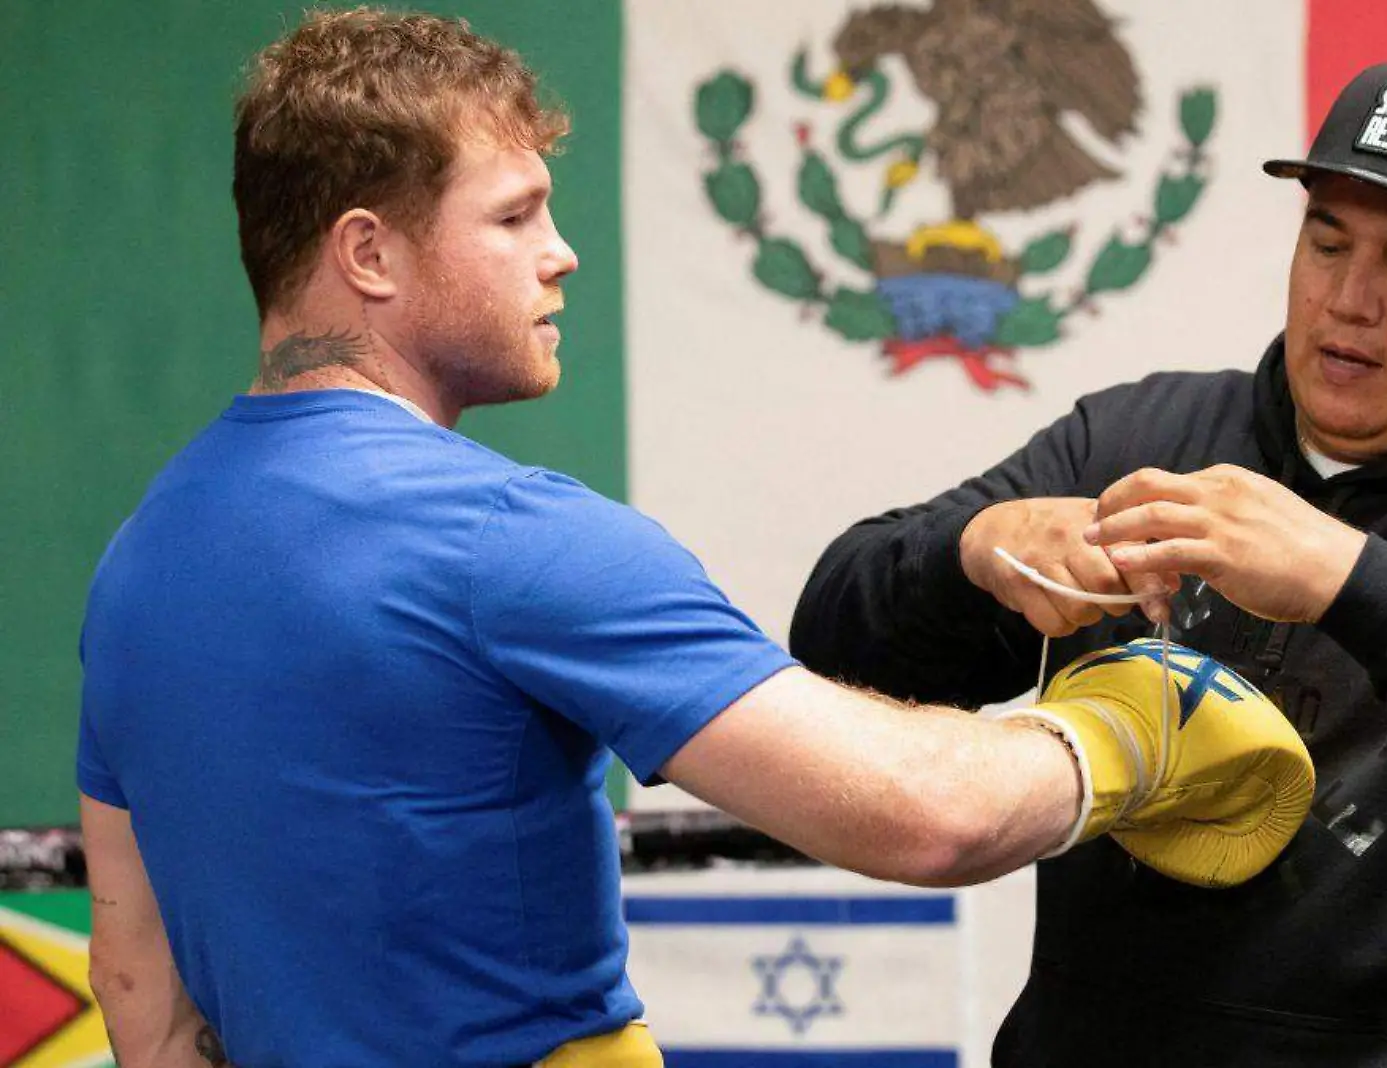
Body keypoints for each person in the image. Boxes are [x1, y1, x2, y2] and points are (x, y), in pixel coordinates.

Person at [73, 10, 1313, 1068]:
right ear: (369, 253)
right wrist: (1132, 731)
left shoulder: (142, 557)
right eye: (513, 218)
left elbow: (144, 1003)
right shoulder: (509, 540)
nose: (559, 255)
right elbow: (921, 816)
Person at [791, 59, 1387, 1067]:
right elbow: (833, 645)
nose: (1347, 299)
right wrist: (967, 556)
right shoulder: (1140, 436)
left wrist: (1355, 580)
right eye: (1324, 241)